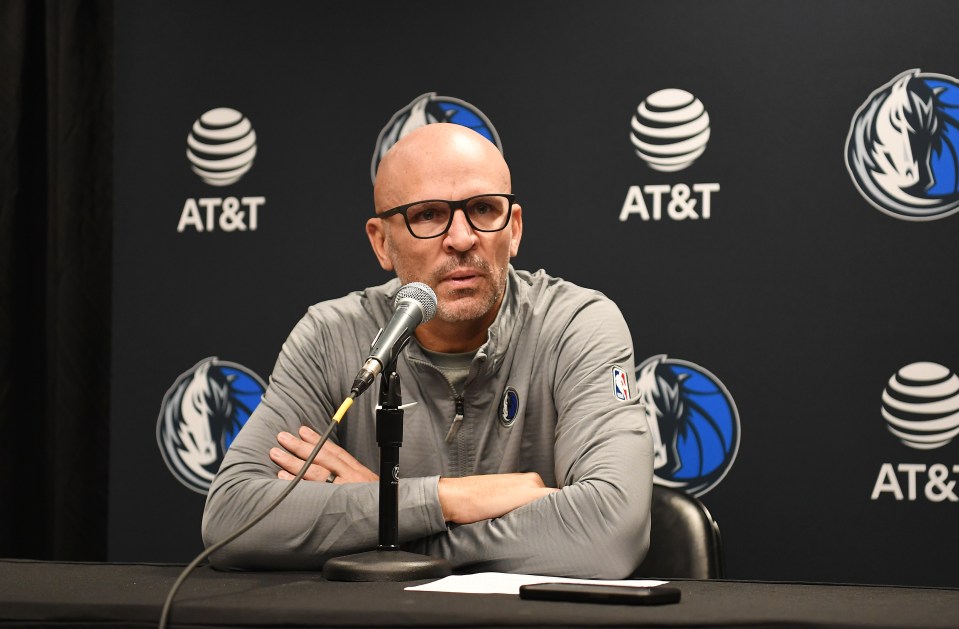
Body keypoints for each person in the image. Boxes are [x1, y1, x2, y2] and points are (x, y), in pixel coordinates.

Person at [201, 123, 654, 578]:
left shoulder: (577, 324)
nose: (461, 238)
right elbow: (231, 519)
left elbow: (609, 533)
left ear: (513, 230)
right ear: (382, 241)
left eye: (482, 208)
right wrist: (446, 500)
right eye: (429, 216)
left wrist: (388, 521)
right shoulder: (330, 336)